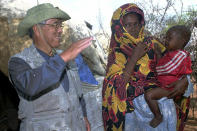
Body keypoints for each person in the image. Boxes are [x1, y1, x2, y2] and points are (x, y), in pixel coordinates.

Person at [102, 3, 190, 131]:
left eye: (136, 24)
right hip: (133, 113)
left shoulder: (151, 43)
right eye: (128, 25)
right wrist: (134, 57)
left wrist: (185, 81)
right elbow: (115, 86)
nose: (133, 29)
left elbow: (175, 64)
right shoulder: (117, 53)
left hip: (161, 104)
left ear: (141, 23)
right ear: (119, 27)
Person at [8, 3, 92, 131]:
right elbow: (30, 85)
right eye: (54, 24)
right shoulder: (18, 62)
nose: (60, 30)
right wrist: (63, 58)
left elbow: (77, 93)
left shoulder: (65, 56)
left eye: (60, 25)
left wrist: (84, 116)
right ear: (37, 29)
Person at [144, 25, 192, 128]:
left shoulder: (181, 55)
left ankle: (158, 116)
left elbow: (166, 68)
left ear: (182, 41)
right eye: (166, 38)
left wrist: (157, 60)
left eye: (169, 38)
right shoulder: (170, 53)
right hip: (166, 86)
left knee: (149, 96)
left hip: (170, 88)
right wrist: (159, 54)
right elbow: (164, 65)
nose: (166, 40)